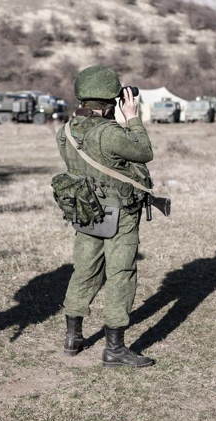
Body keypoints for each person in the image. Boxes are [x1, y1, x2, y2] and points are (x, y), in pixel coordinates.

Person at [56, 65, 156, 368]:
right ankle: (115, 348)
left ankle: (73, 336)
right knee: (121, 274)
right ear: (110, 101)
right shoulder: (110, 134)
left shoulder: (67, 131)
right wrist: (134, 119)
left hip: (85, 210)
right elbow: (144, 151)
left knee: (84, 270)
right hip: (119, 214)